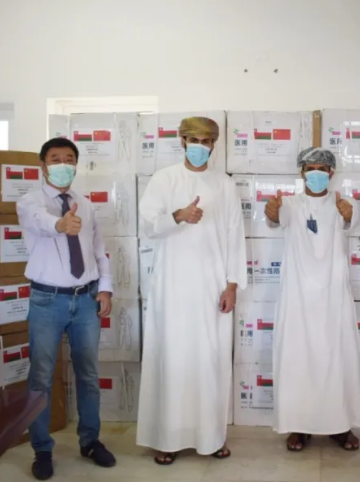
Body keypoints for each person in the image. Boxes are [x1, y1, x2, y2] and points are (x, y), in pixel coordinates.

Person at [137, 116, 247, 465]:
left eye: (207, 141)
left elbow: (235, 235)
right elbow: (148, 225)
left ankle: (210, 438)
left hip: (212, 287)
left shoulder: (224, 184)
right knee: (171, 358)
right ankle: (167, 439)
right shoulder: (164, 178)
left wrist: (232, 284)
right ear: (182, 140)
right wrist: (178, 215)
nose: (201, 146)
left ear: (214, 144)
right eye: (195, 140)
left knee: (210, 362)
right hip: (172, 286)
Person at [17, 137, 116, 481]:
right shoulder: (30, 201)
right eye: (56, 158)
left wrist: (105, 289)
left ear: (76, 164)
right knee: (41, 376)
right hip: (47, 300)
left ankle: (90, 441)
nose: (63, 164)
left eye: (69, 159)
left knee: (88, 374)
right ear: (43, 165)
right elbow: (40, 221)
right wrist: (60, 225)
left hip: (85, 299)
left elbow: (99, 249)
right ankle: (42, 449)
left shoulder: (85, 204)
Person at [265, 147, 360, 452]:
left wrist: (348, 214)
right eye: (311, 168)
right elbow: (274, 218)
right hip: (297, 298)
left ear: (331, 173)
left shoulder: (344, 203)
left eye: (322, 169)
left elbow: (352, 220)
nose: (316, 173)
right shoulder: (289, 204)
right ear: (302, 172)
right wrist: (271, 212)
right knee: (297, 361)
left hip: (333, 297)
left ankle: (340, 426)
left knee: (338, 359)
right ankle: (298, 426)